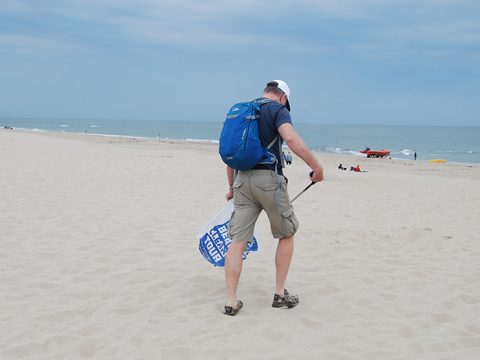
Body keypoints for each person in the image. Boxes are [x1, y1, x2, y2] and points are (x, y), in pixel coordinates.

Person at [223, 80, 324, 316]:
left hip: (242, 180)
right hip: (268, 179)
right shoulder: (277, 110)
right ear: (283, 98)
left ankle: (231, 302)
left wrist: (231, 187)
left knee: (237, 242)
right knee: (287, 232)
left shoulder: (244, 110)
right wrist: (316, 167)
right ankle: (279, 294)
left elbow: (231, 155)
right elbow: (291, 140)